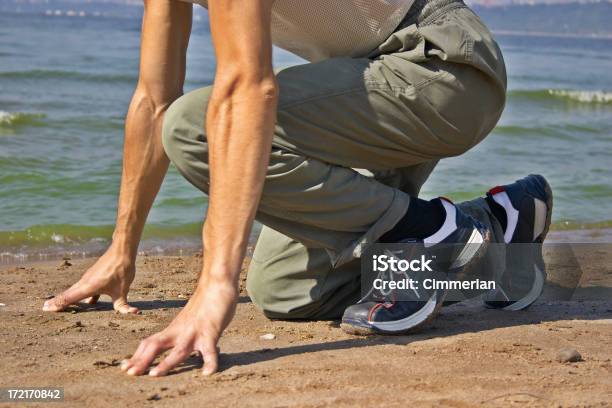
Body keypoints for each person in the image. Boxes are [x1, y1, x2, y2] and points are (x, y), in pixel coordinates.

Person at [42, 0, 553, 376]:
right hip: (365, 85)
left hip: (441, 67)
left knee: (195, 128)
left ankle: (437, 233)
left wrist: (213, 286)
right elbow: (152, 100)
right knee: (285, 290)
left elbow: (247, 88)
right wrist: (121, 248)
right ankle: (495, 235)